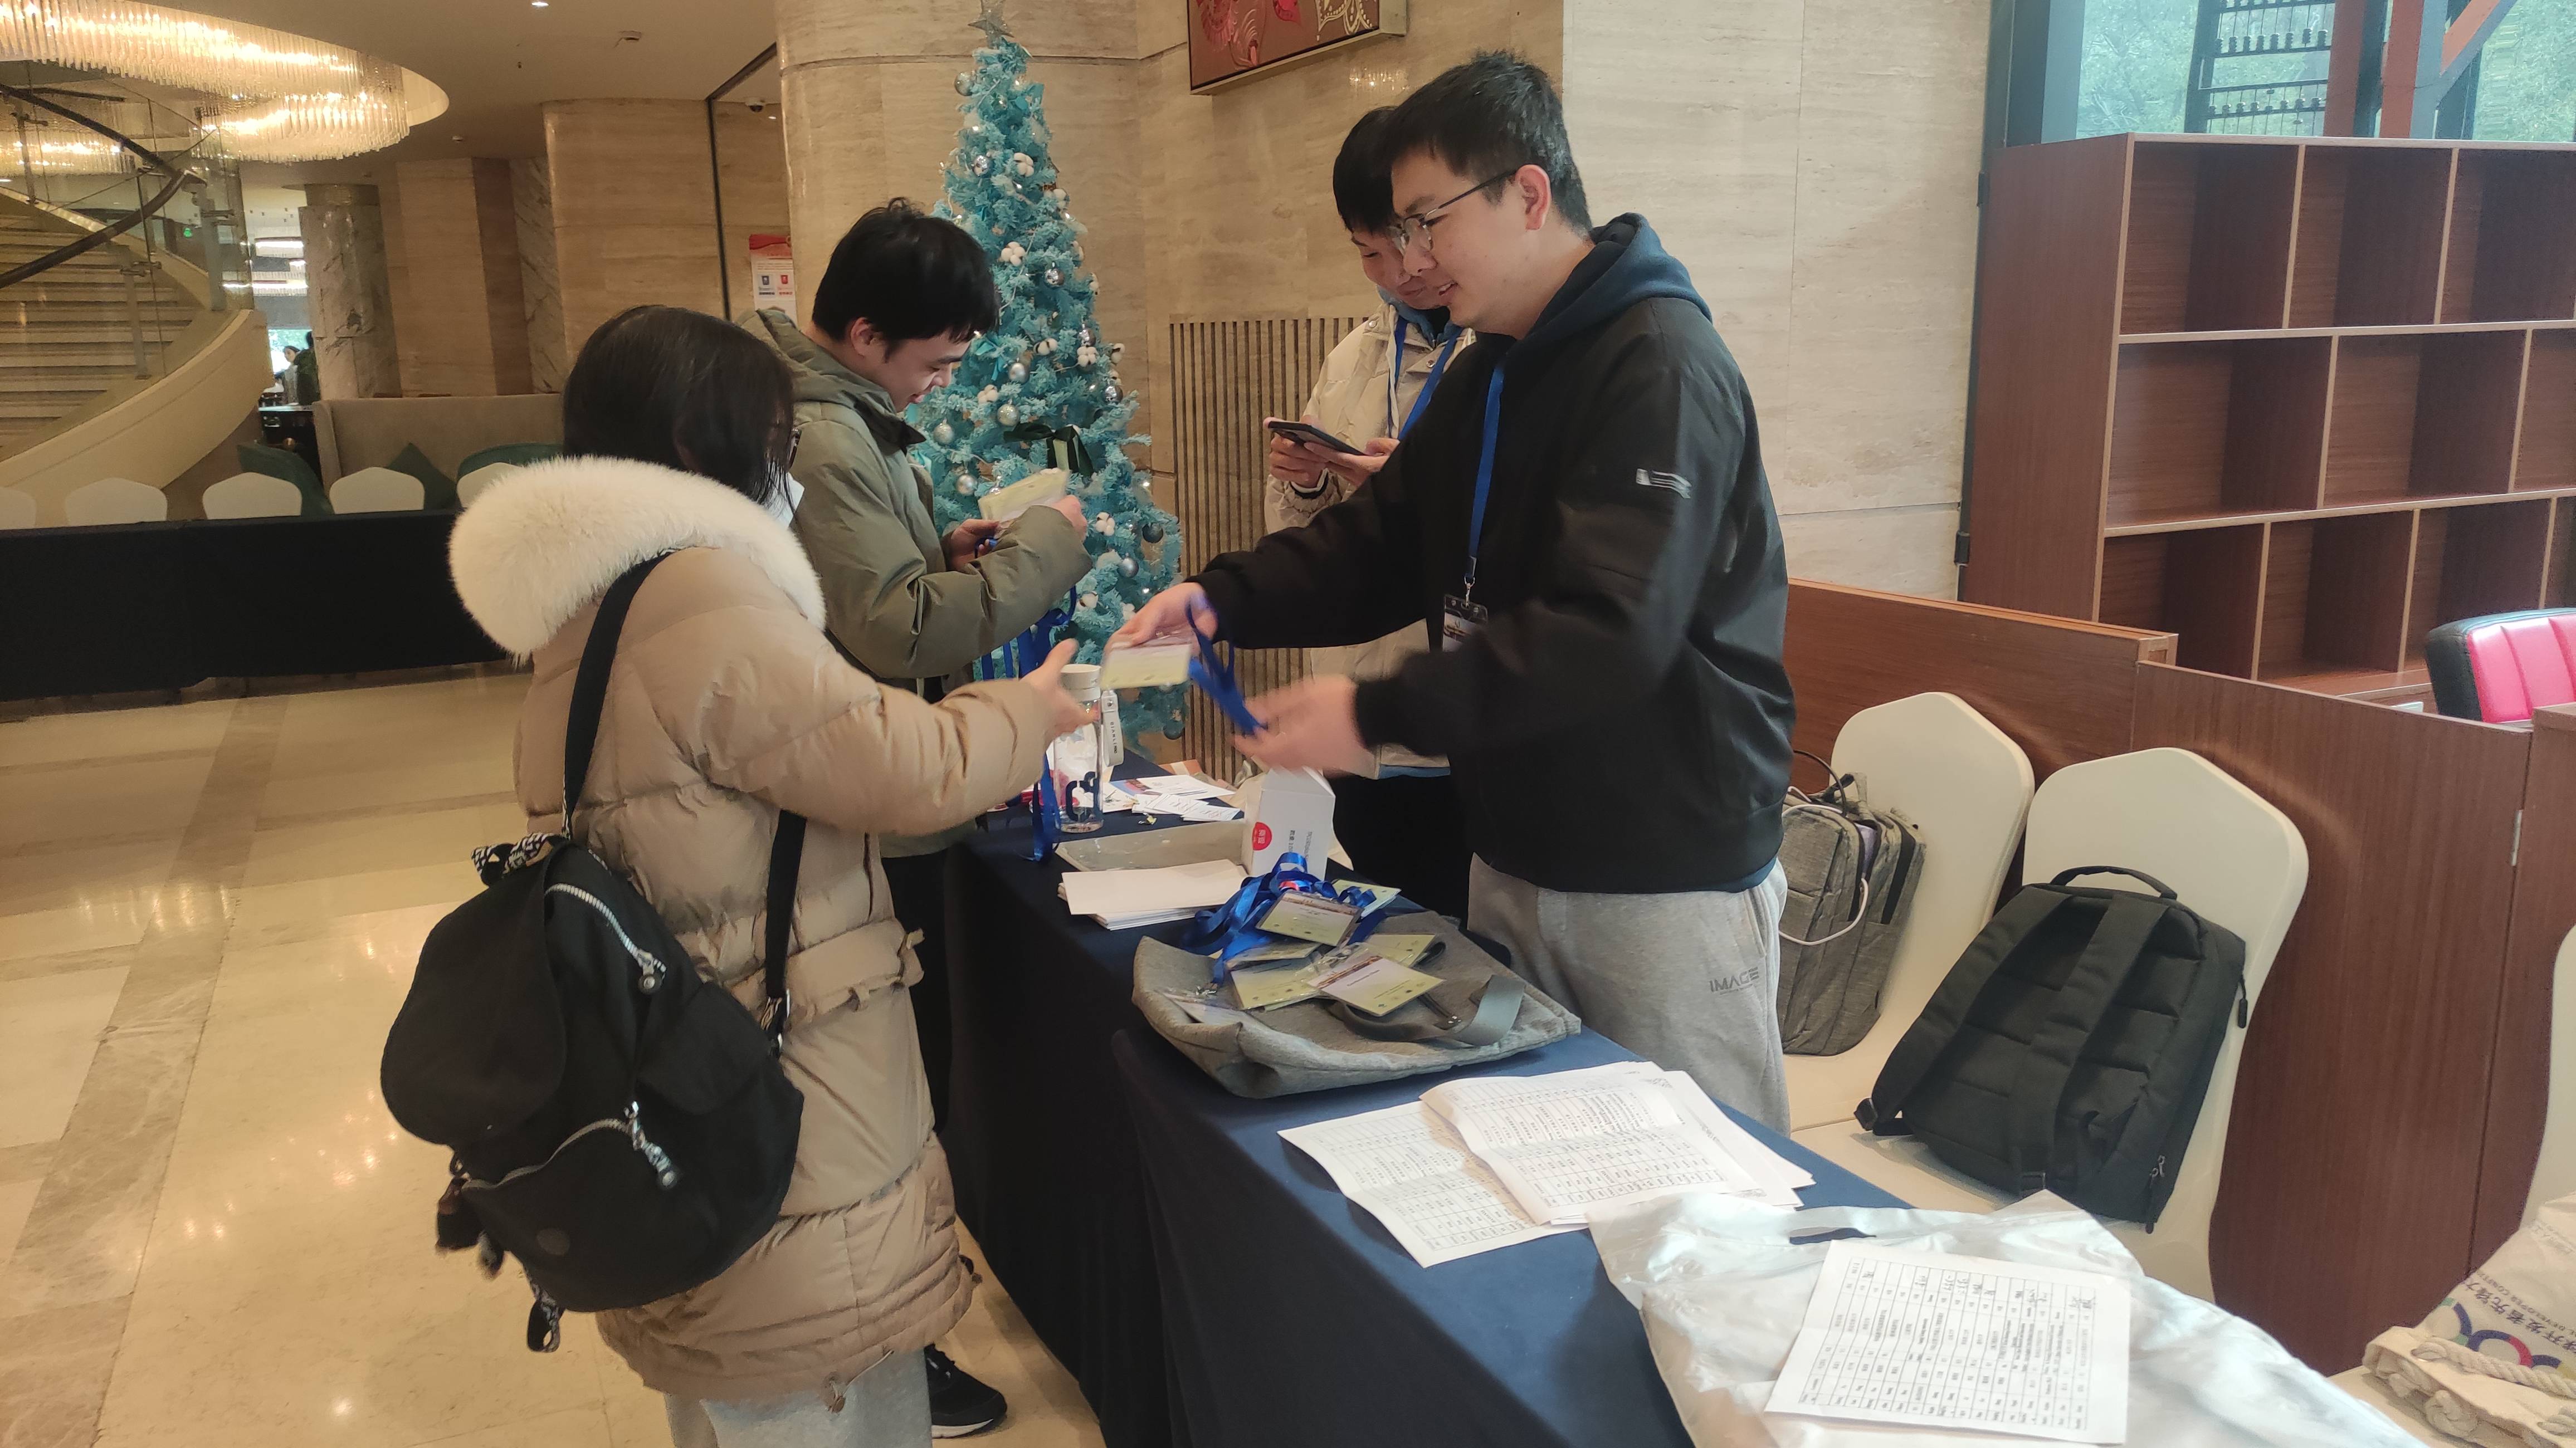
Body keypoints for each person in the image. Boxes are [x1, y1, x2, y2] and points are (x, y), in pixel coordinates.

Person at [1116, 53, 1798, 1129]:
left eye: (1432, 220)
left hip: (1658, 864)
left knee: (1701, 1181)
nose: (1415, 257)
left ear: (1531, 195)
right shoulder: (1488, 369)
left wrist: (1373, 712)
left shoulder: (1657, 364)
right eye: (1403, 227)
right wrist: (1221, 599)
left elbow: (1609, 633)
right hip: (1516, 842)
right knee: (1545, 1162)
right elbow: (1377, 546)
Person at [449, 304, 1084, 1448]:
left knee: (732, 1378)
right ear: (702, 445)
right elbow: (903, 766)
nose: (788, 474)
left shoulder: (593, 597)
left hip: (675, 1039)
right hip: (772, 1050)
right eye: (776, 444)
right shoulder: (700, 591)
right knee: (809, 1379)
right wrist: (1027, 708)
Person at [746, 197, 1089, 1437]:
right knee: (894, 1098)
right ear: (862, 328)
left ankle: (911, 1321)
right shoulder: (829, 442)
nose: (944, 385)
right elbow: (889, 630)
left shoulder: (843, 418)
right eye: (935, 361)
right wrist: (1044, 551)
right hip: (887, 818)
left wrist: (942, 542)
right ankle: (901, 1348)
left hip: (893, 799)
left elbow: (877, 581)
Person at [1260, 107, 1474, 918]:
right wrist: (1309, 482)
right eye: (1369, 254)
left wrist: (1415, 493)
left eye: (1406, 243)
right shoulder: (1356, 355)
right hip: (1357, 716)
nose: (1397, 272)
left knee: (1461, 939)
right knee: (1381, 929)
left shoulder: (1496, 357)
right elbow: (1302, 542)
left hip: (1452, 720)